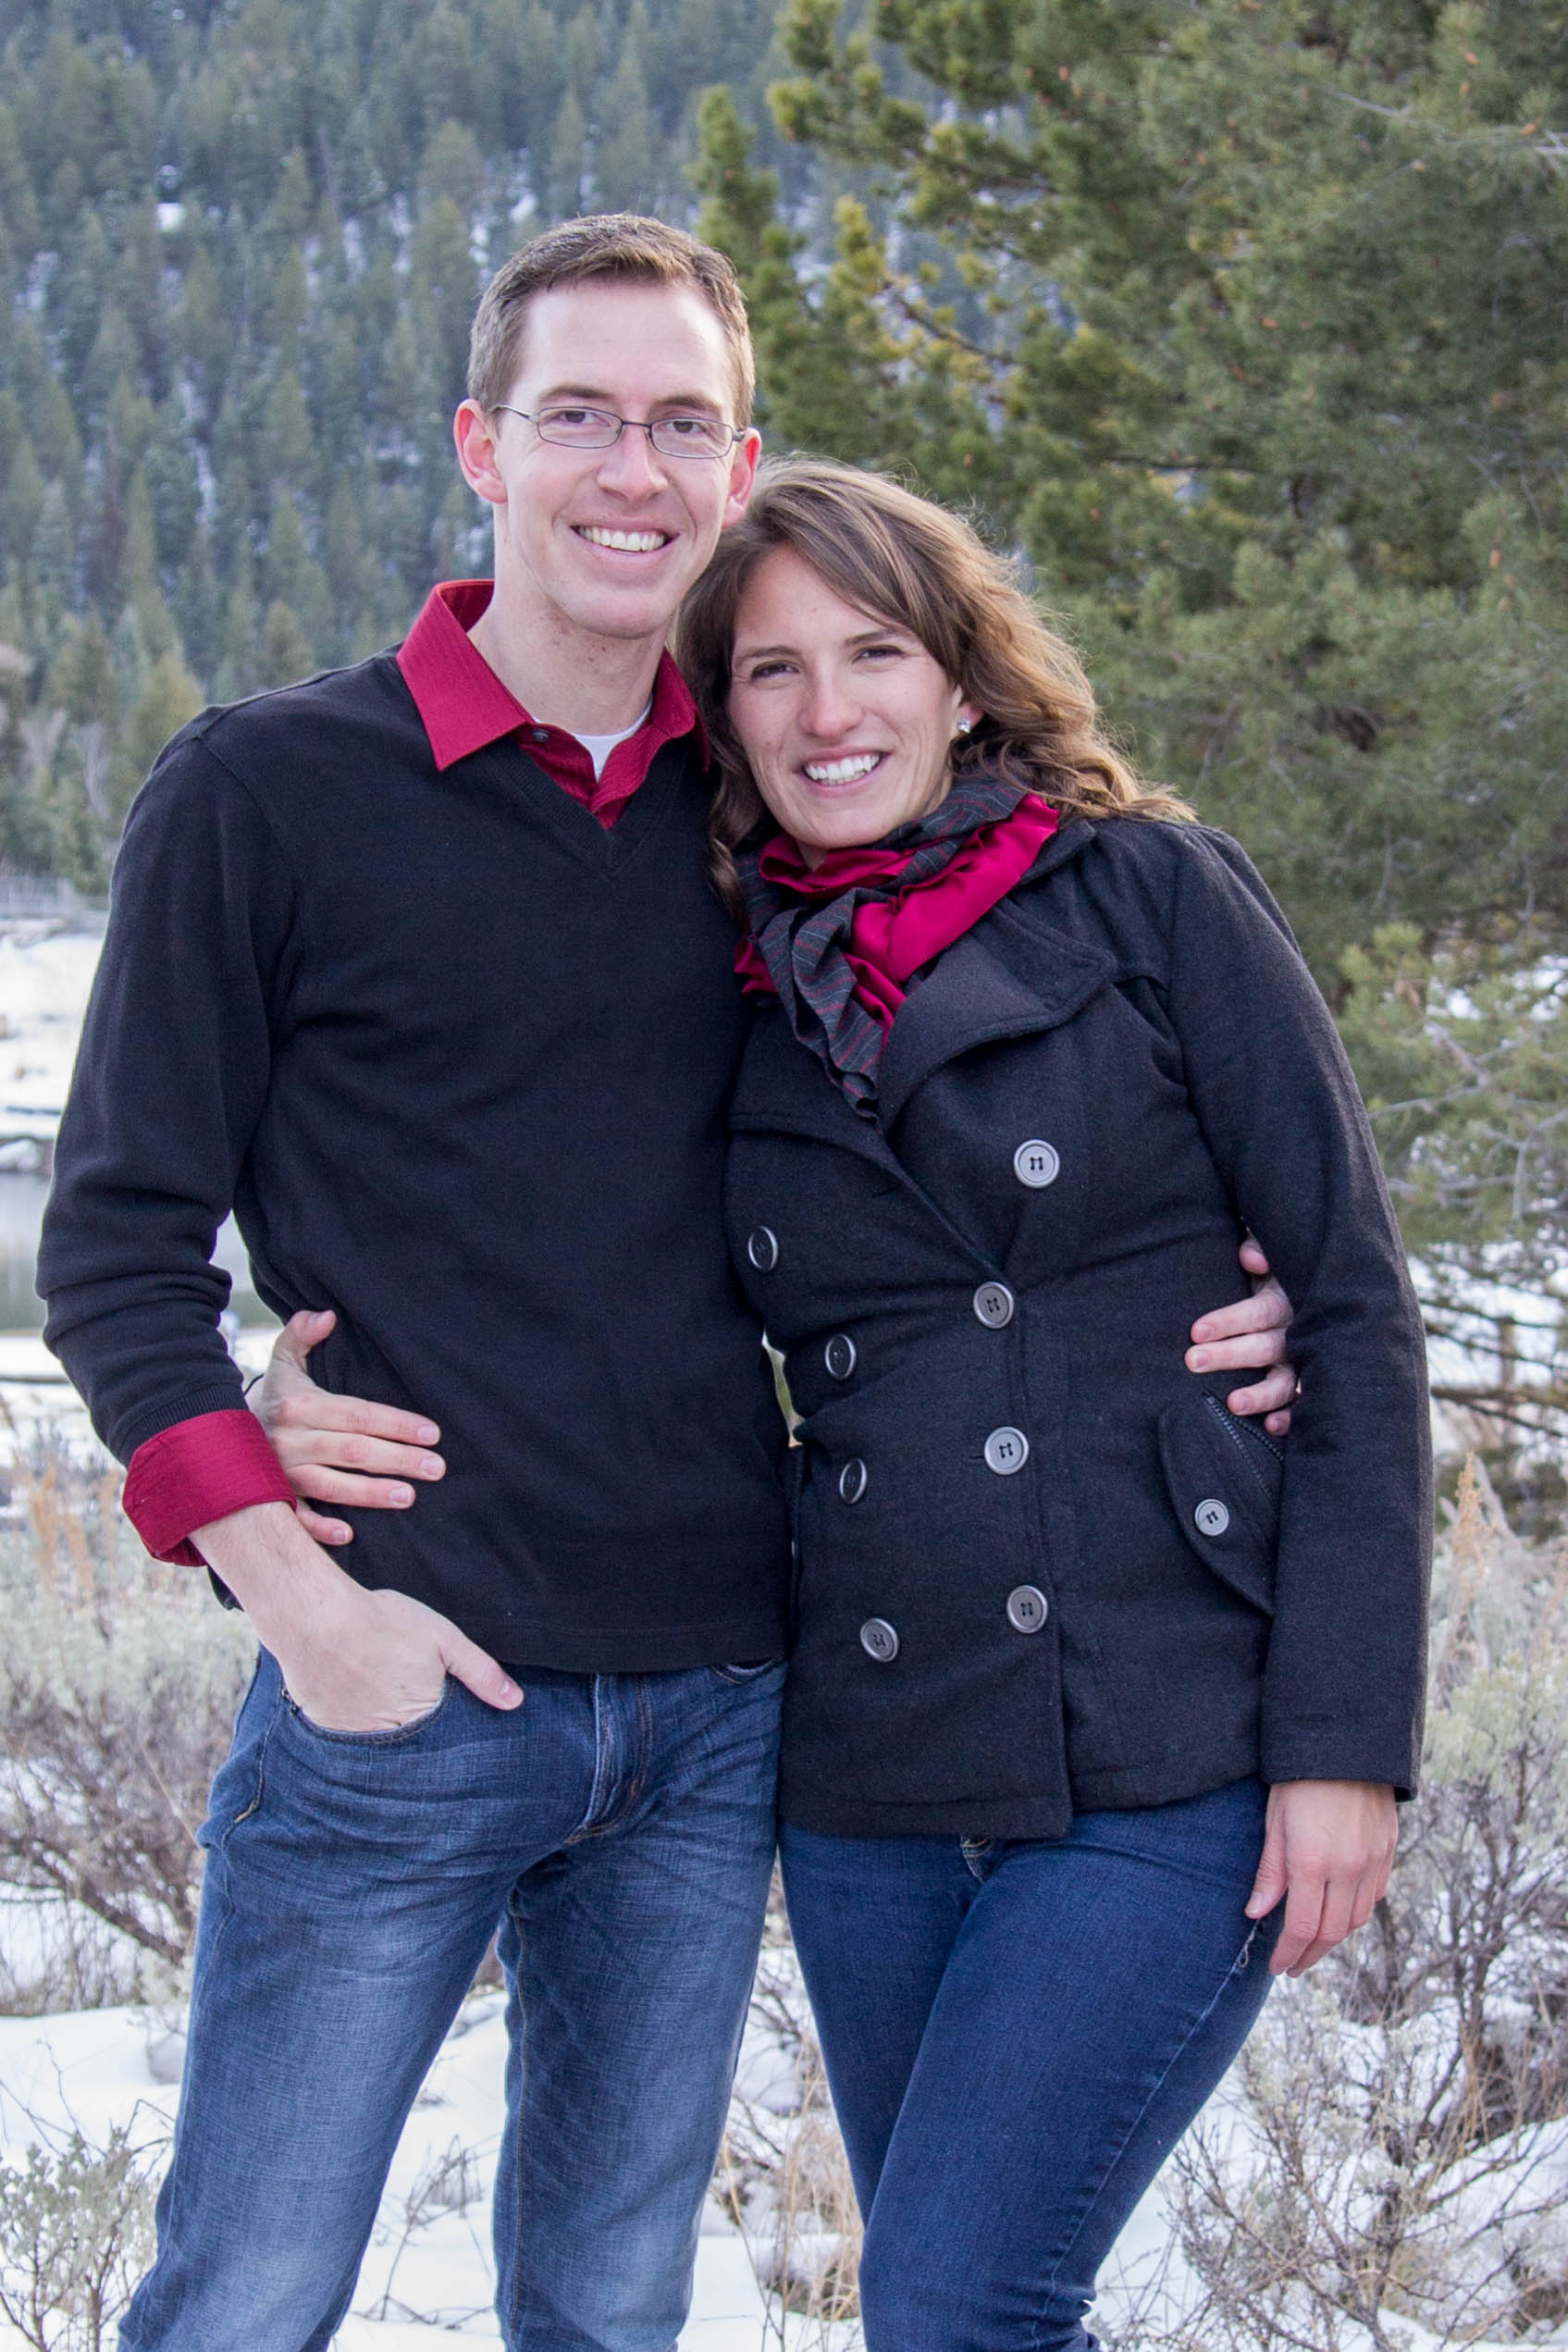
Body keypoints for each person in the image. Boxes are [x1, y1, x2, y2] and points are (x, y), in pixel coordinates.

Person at [37, 217, 1296, 2352]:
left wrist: (1224, 1290)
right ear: (481, 447)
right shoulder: (267, 790)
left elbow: (1003, 1103)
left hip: (721, 1702)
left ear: (738, 466)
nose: (631, 470)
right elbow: (112, 1243)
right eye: (578, 417)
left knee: (612, 2303)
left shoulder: (772, 813)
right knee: (245, 2292)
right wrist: (303, 1598)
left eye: (680, 425)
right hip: (402, 1678)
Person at [672, 458, 1429, 2351]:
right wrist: (289, 1361)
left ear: (960, 674)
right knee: (961, 2306)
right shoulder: (731, 983)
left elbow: (1347, 1304)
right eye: (771, 669)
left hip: (1171, 1732)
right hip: (873, 1765)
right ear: (724, 714)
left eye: (872, 650)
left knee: (957, 2298)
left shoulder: (1151, 894)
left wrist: (1344, 1741)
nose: (827, 711)